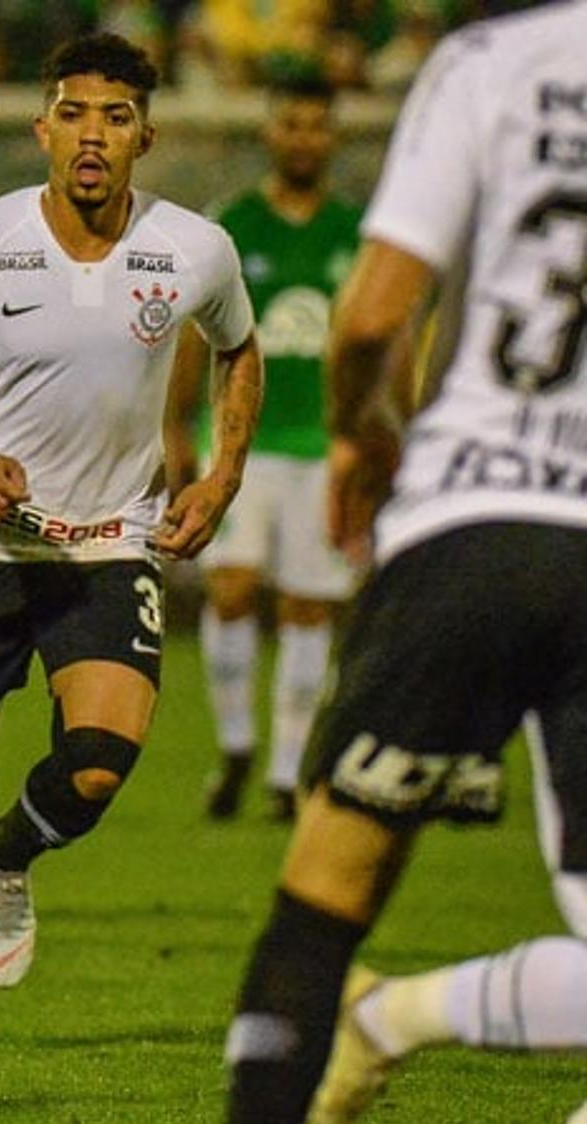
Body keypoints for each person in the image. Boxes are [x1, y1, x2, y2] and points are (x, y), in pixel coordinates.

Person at [222, 4, 587, 1124]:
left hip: (465, 521)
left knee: (325, 896)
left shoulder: (494, 61)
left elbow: (375, 313)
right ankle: (384, 1026)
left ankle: (342, 1064)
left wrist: (360, 449)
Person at [0, 32, 262, 1053]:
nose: (92, 135)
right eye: (74, 113)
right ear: (43, 127)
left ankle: (12, 855)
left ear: (144, 137)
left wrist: (219, 475)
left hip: (109, 544)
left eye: (115, 118)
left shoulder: (195, 248)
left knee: (94, 770)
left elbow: (241, 351)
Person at [167, 74, 364, 823]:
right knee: (233, 589)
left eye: (317, 125)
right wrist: (178, 433)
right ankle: (237, 746)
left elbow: (382, 347)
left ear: (332, 137)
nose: (304, 137)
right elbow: (196, 337)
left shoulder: (356, 232)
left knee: (311, 608)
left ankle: (285, 773)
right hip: (237, 443)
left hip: (324, 447)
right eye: (291, 124)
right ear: (270, 133)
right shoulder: (233, 226)